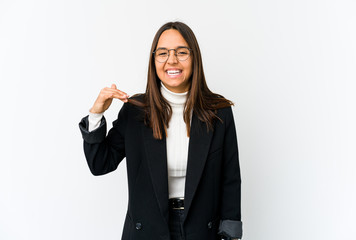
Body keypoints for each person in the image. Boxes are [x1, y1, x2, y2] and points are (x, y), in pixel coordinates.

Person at [79, 21, 242, 240]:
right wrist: (96, 114)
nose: (172, 60)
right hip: (148, 231)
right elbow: (100, 164)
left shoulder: (218, 112)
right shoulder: (135, 111)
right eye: (163, 53)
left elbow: (230, 177)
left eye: (181, 52)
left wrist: (229, 233)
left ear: (194, 58)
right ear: (153, 60)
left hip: (201, 231)